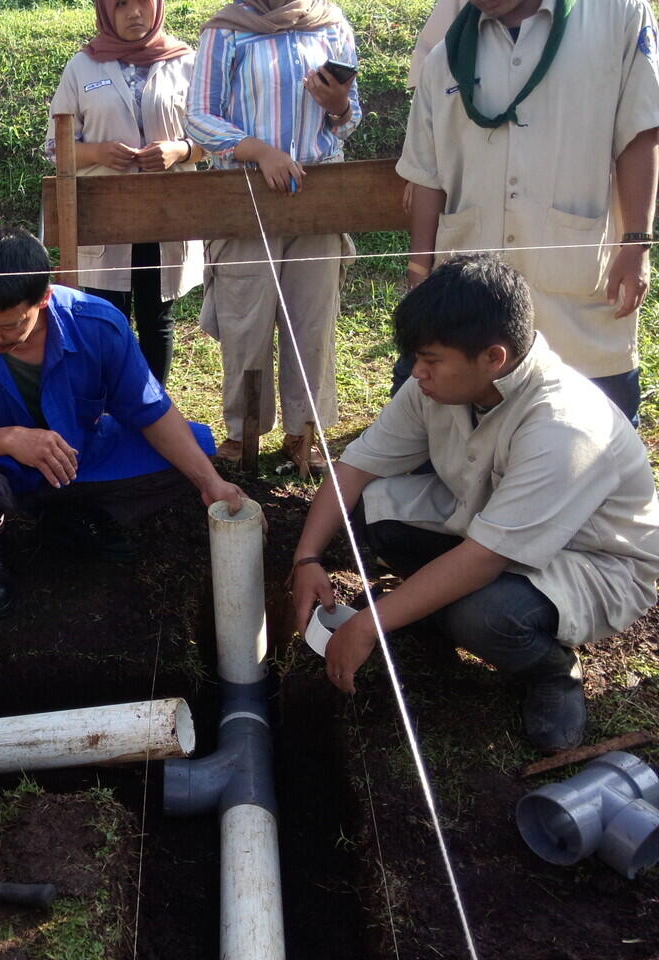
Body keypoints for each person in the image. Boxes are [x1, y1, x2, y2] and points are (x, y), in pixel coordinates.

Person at [290, 256, 659, 752]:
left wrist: (369, 623)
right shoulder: (441, 385)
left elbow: (486, 558)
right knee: (365, 509)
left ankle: (552, 670)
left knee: (483, 615)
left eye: (431, 360)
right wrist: (306, 557)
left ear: (494, 358)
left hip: (592, 561)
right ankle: (428, 607)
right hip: (486, 520)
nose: (416, 373)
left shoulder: (563, 427)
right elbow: (356, 467)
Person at [0, 226, 248, 618]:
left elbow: (149, 409)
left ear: (44, 299)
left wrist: (211, 483)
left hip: (77, 457)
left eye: (8, 326)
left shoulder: (97, 324)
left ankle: (70, 512)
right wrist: (10, 439)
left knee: (192, 454)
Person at [397, 0, 659, 425]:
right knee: (465, 448)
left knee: (592, 444)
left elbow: (641, 131)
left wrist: (636, 242)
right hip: (470, 292)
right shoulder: (448, 48)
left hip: (576, 284)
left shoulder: (617, 14)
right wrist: (419, 270)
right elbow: (427, 172)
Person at [185, 0, 362, 472]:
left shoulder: (329, 24)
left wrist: (338, 105)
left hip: (318, 191)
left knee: (313, 318)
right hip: (244, 193)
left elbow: (351, 116)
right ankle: (244, 435)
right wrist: (260, 151)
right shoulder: (226, 30)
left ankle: (305, 434)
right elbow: (200, 116)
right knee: (246, 320)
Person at [43, 0, 205, 385]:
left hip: (166, 217)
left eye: (143, 4)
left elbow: (215, 138)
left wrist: (179, 150)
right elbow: (54, 147)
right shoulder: (82, 66)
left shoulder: (187, 62)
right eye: (121, 5)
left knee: (157, 319)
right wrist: (99, 152)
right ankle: (106, 412)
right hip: (104, 216)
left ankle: (153, 411)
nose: (134, 13)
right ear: (106, 12)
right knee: (105, 318)